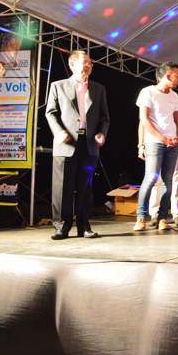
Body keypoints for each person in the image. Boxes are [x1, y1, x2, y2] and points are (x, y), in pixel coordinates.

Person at [45, 50, 109, 239]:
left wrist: (101, 133)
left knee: (85, 187)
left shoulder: (98, 89)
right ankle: (61, 226)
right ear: (72, 65)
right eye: (85, 62)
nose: (88, 65)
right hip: (66, 142)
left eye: (90, 62)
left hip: (89, 143)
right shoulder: (58, 86)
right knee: (62, 188)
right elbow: (50, 113)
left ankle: (84, 226)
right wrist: (59, 132)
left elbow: (105, 118)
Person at [134, 62, 178, 231]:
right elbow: (144, 120)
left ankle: (163, 217)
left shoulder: (174, 96)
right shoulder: (147, 92)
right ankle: (141, 217)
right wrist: (160, 139)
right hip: (155, 142)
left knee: (167, 181)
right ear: (167, 75)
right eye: (177, 76)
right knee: (151, 178)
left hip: (172, 144)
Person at [137, 108, 178, 225]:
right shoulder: (150, 101)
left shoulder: (173, 102)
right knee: (155, 178)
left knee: (176, 177)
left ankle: (176, 212)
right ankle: (154, 212)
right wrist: (141, 145)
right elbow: (142, 123)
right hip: (155, 144)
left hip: (173, 144)